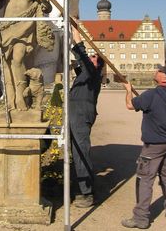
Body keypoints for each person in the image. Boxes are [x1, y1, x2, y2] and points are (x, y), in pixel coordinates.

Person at [121, 65, 166, 229]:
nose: (156, 72)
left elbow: (130, 105)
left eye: (160, 71)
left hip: (153, 146)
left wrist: (128, 90)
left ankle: (141, 218)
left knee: (144, 179)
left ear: (165, 79)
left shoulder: (152, 94)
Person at [0, 0, 54, 111]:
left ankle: (21, 97)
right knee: (6, 64)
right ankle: (10, 100)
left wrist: (44, 2)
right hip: (6, 30)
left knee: (18, 59)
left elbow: (48, 7)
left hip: (23, 32)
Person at [69, 20, 105, 208]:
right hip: (77, 112)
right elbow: (78, 59)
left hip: (81, 113)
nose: (90, 57)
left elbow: (80, 51)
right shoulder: (86, 74)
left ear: (97, 64)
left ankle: (87, 193)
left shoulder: (92, 73)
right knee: (75, 152)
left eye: (93, 57)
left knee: (81, 151)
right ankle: (78, 186)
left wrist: (75, 30)